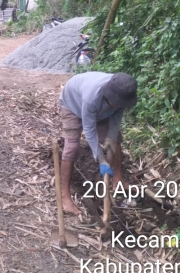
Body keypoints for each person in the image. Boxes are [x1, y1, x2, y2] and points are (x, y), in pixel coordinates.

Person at [58, 72, 137, 215]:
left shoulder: (122, 91)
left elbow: (116, 117)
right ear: (109, 94)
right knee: (72, 148)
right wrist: (101, 158)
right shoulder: (92, 97)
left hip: (99, 111)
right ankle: (65, 196)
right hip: (72, 105)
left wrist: (111, 137)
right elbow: (89, 129)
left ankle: (117, 180)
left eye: (121, 103)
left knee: (116, 141)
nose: (118, 106)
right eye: (116, 102)